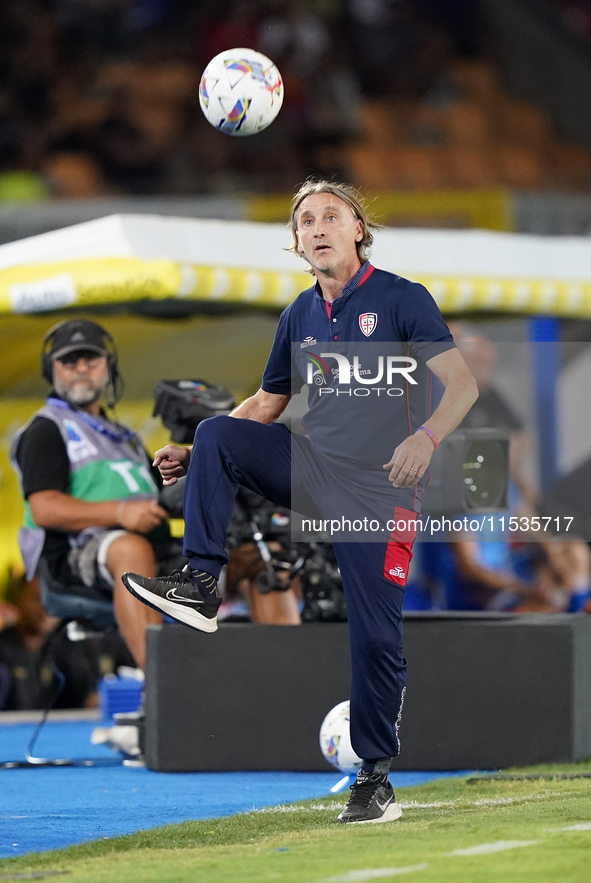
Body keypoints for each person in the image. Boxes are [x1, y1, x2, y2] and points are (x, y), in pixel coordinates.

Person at [123, 180, 478, 824]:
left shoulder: (403, 298)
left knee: (375, 634)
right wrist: (201, 453)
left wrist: (426, 439)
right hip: (317, 469)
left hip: (381, 488)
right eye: (306, 220)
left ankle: (374, 778)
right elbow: (265, 406)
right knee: (216, 431)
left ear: (358, 230)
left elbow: (461, 385)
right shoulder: (299, 313)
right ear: (296, 242)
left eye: (331, 216)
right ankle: (202, 581)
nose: (318, 227)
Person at [11, 319, 168, 671]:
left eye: (91, 359)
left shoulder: (125, 437)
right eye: (69, 361)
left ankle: (281, 682)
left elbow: (159, 496)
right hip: (74, 556)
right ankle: (160, 687)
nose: (81, 369)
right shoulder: (45, 430)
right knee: (130, 548)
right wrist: (122, 513)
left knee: (253, 553)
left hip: (149, 545)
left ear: (108, 368)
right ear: (50, 371)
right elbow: (44, 508)